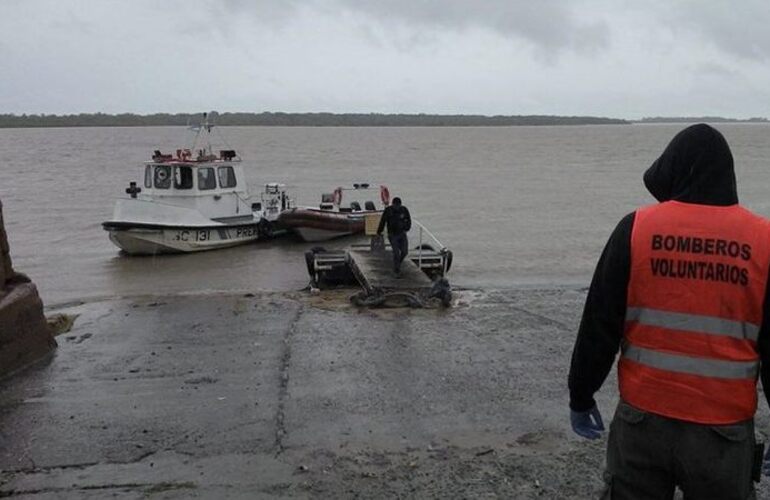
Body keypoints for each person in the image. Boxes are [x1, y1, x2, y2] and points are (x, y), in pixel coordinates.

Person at [567, 124, 770, 499]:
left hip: (643, 421)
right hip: (722, 432)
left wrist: (581, 395)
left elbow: (599, 324)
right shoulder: (762, 241)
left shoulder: (636, 229)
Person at [377, 197, 411, 276]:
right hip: (392, 235)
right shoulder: (388, 210)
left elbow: (408, 220)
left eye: (398, 205)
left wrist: (407, 228)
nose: (397, 207)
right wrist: (379, 231)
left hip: (402, 234)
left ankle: (398, 264)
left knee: (405, 252)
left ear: (400, 204)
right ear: (392, 204)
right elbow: (383, 221)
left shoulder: (404, 210)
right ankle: (397, 270)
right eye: (395, 205)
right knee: (396, 253)